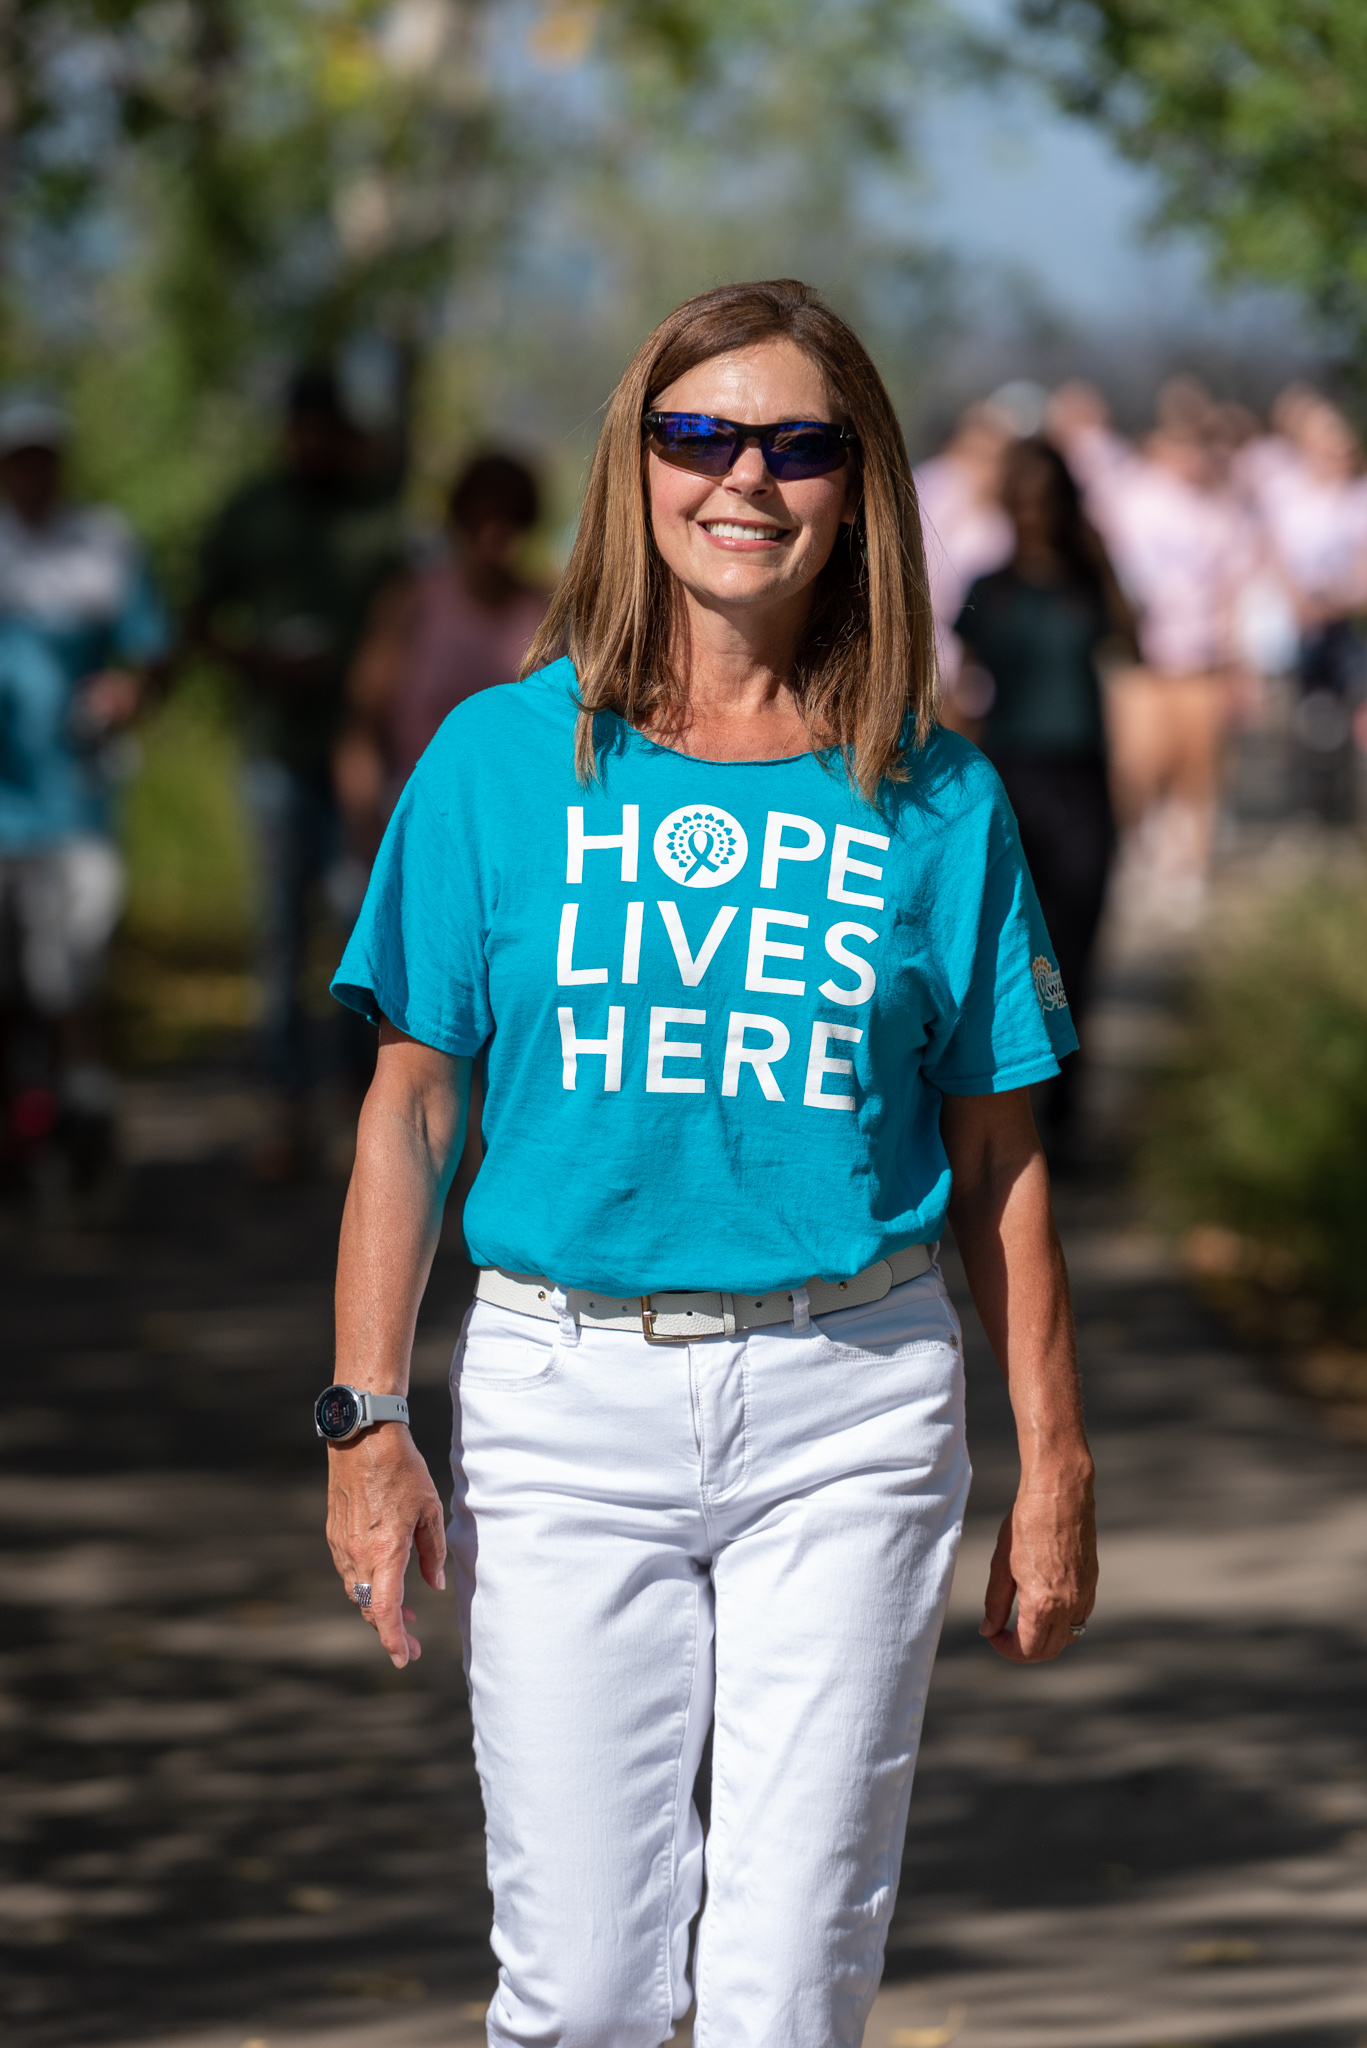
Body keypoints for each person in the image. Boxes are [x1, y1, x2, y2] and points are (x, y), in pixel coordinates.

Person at [322, 279, 1097, 2048]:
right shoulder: (499, 760)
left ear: (858, 487)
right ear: (636, 465)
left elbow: (997, 1152)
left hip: (853, 1399)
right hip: (560, 1391)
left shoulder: (934, 792)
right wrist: (368, 1414)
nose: (744, 475)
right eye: (699, 433)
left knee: (780, 1996)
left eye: (797, 442)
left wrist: (1051, 1459)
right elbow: (409, 1105)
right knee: (585, 1992)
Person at [189, 367, 405, 1177]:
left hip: (369, 758)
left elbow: (408, 617)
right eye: (300, 429)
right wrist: (256, 659)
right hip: (279, 752)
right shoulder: (253, 514)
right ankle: (286, 1109)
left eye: (326, 429)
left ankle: (367, 1108)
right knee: (282, 932)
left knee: (363, 926)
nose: (312, 443)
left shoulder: (375, 519)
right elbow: (198, 620)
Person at [0, 395, 169, 1207]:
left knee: (72, 980)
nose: (31, 472)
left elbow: (153, 654)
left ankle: (85, 1125)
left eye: (43, 455)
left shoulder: (102, 546)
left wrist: (127, 691)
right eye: (17, 457)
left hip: (74, 810)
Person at [955, 437, 1133, 1156]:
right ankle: (1018, 1102)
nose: (1032, 515)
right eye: (1021, 501)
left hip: (1082, 775)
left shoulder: (1087, 582)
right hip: (1011, 776)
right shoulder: (987, 587)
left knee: (1079, 941)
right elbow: (963, 696)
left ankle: (1067, 1102)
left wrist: (1097, 551)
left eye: (1045, 500)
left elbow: (1131, 650)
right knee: (1025, 949)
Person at [1049, 379, 1255, 920]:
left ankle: (1186, 865)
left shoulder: (1221, 513)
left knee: (1198, 766)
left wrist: (1235, 658)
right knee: (1137, 763)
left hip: (1198, 659)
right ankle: (1135, 850)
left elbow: (1232, 589)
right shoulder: (1130, 496)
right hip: (1139, 658)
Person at [335, 451, 549, 859]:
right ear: (458, 520)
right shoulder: (410, 604)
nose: (493, 535)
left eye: (510, 519)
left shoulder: (550, 614)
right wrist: (367, 830)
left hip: (516, 839)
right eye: (479, 519)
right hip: (415, 829)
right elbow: (361, 725)